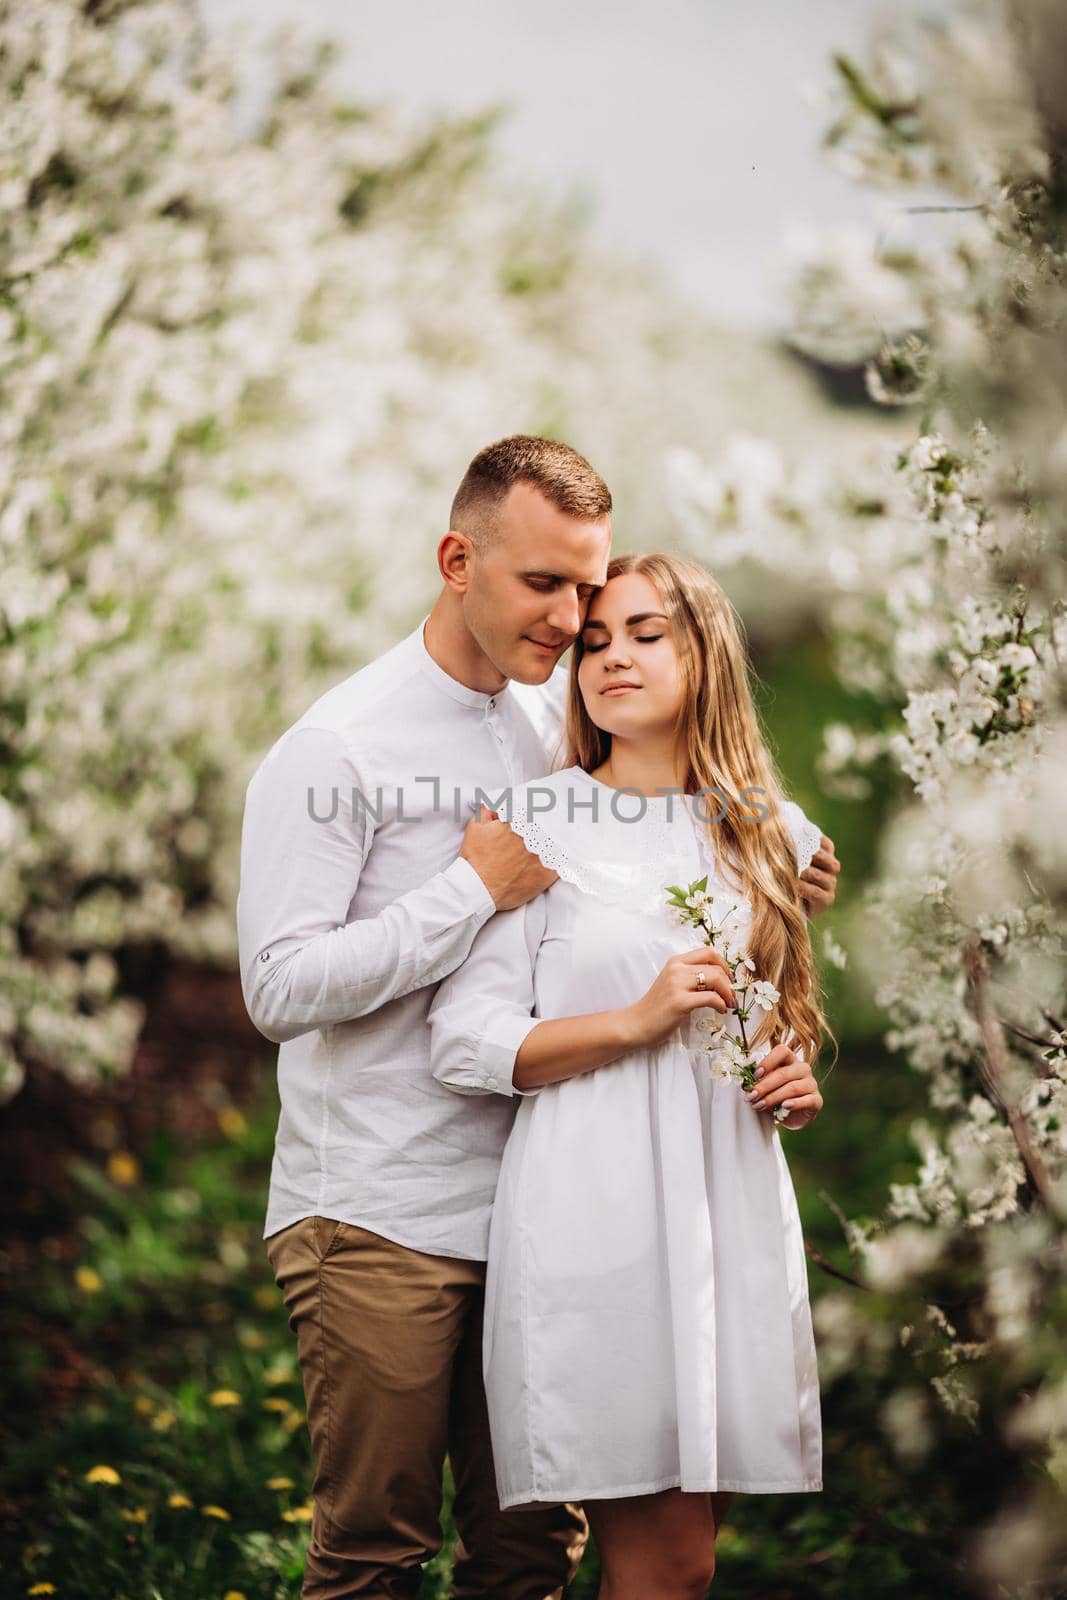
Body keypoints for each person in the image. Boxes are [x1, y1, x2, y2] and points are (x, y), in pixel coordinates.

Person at [236, 436, 841, 1600]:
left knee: (525, 1554)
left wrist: (786, 839)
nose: (573, 621)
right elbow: (276, 989)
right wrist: (471, 889)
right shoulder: (337, 747)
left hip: (547, 1207)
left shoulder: (535, 719)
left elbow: (665, 785)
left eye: (588, 585)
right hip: (384, 1204)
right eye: (545, 586)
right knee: (375, 1547)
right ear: (456, 560)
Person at [428, 551, 837, 1600]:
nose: (611, 657)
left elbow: (765, 1013)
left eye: (645, 633)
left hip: (726, 1209)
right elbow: (463, 1038)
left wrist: (787, 1070)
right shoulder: (537, 823)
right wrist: (631, 1018)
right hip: (594, 1207)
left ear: (704, 653)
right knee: (668, 1564)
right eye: (595, 640)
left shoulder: (764, 831)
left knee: (683, 1557)